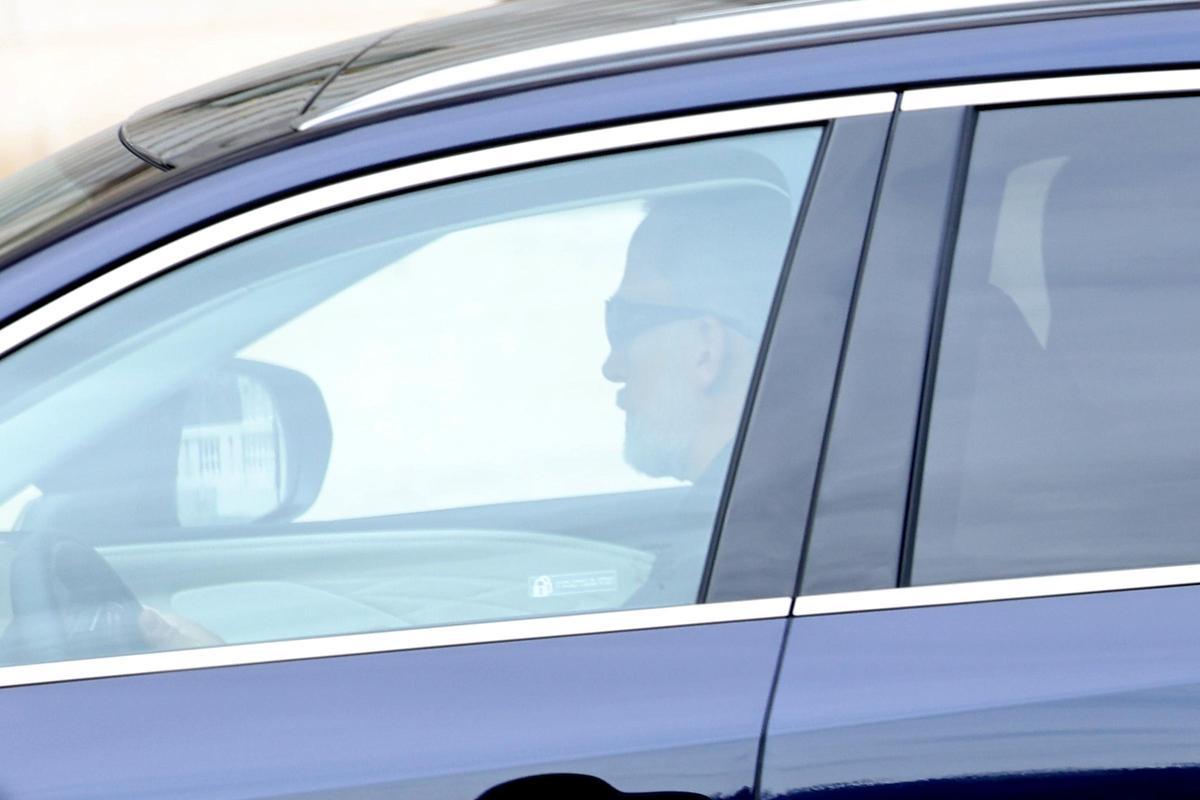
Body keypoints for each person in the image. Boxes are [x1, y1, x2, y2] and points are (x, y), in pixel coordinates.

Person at [601, 187, 792, 603]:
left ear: (707, 346)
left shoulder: (732, 554)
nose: (611, 367)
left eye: (624, 323)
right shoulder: (771, 514)